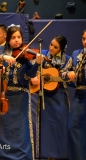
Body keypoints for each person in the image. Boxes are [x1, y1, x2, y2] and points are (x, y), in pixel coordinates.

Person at [0, 25, 42, 160]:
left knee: (21, 129)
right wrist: (4, 57)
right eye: (13, 38)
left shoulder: (25, 55)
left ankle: (22, 156)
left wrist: (37, 64)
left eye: (19, 37)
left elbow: (31, 73)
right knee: (3, 129)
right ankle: (0, 155)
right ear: (8, 39)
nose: (17, 41)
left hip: (21, 97)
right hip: (4, 95)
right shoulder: (0, 53)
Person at [31, 35, 74, 160]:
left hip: (59, 97)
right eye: (51, 44)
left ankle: (58, 156)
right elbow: (33, 70)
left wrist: (67, 74)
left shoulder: (68, 59)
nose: (51, 48)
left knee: (59, 126)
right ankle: (45, 155)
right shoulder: (43, 55)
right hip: (45, 96)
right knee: (45, 127)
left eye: (55, 47)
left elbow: (65, 77)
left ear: (61, 49)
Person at [68, 29, 86, 160]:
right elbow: (65, 75)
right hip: (80, 95)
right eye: (84, 39)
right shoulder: (76, 54)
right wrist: (69, 75)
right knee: (73, 128)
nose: (85, 42)